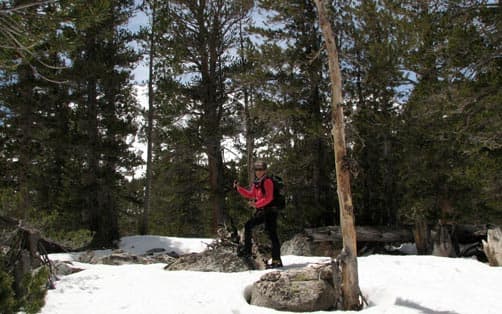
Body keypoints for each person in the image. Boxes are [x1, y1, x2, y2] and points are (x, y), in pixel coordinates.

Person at [233, 160, 283, 269]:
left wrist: (256, 205)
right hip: (263, 210)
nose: (258, 172)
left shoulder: (267, 181)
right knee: (249, 225)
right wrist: (239, 188)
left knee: (272, 234)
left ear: (265, 170)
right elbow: (251, 194)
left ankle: (277, 260)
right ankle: (248, 250)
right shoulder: (258, 182)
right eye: (256, 170)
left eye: (260, 169)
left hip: (270, 211)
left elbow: (269, 197)